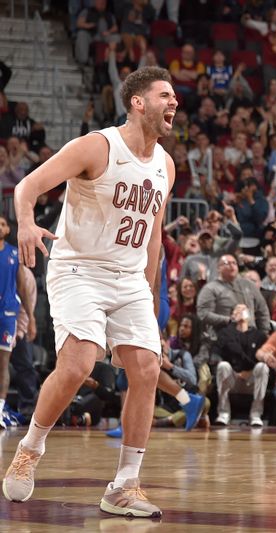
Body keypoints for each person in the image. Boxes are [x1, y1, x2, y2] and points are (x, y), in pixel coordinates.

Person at [3, 67, 177, 517]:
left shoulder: (166, 165)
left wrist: (152, 295)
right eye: (164, 95)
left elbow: (154, 234)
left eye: (174, 96)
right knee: (79, 361)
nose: (174, 102)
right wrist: (25, 221)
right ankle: (31, 447)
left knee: (146, 368)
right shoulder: (98, 146)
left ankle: (124, 486)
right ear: (138, 102)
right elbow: (27, 186)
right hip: (78, 268)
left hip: (130, 279)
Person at [0, 216, 35, 428]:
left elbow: (23, 288)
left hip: (8, 315)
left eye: (3, 224)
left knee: (4, 363)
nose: (1, 226)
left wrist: (31, 320)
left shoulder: (14, 254)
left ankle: (0, 408)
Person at [214, 304, 269, 426]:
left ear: (250, 315)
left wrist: (248, 372)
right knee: (222, 366)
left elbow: (264, 357)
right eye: (237, 310)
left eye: (243, 309)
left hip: (251, 379)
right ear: (232, 315)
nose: (240, 311)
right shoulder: (225, 333)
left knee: (263, 367)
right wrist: (237, 372)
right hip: (232, 378)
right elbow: (216, 354)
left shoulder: (259, 335)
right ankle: (223, 413)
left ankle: (256, 414)